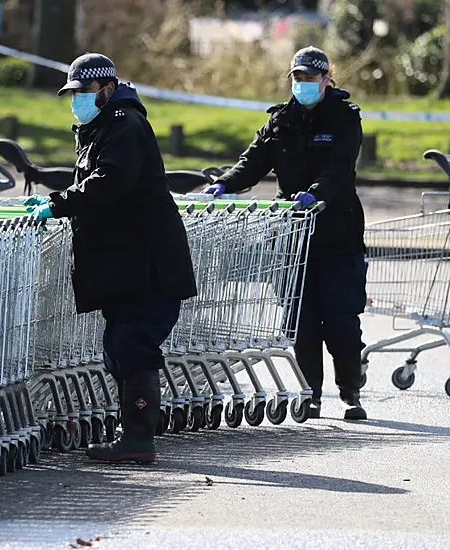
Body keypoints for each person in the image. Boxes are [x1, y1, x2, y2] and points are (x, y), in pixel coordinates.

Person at [25, 53, 197, 463]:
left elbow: (111, 181)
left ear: (106, 88)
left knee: (132, 343)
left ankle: (139, 441)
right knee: (118, 347)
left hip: (148, 265)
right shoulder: (100, 126)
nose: (76, 101)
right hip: (128, 265)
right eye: (71, 93)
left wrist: (58, 203)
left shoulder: (124, 124)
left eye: (83, 92)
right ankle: (133, 434)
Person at [204, 46, 368, 421]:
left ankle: (350, 389)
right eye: (297, 77)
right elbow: (253, 161)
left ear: (327, 79)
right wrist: (226, 184)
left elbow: (341, 167)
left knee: (341, 318)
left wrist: (317, 193)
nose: (302, 84)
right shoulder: (281, 120)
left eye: (310, 77)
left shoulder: (344, 118)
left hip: (337, 230)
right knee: (301, 319)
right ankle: (310, 392)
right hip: (294, 234)